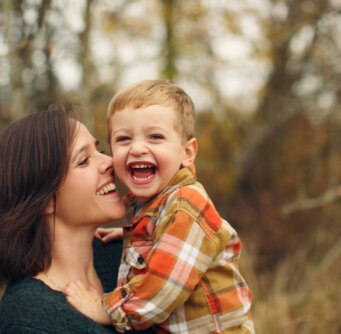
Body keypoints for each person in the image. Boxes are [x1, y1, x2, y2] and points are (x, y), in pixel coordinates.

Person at [66, 80, 254, 333]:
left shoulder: (186, 206)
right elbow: (166, 243)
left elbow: (162, 287)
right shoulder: (155, 207)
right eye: (124, 139)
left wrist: (106, 310)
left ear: (187, 152)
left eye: (155, 137)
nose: (137, 148)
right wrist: (128, 235)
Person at [0, 104, 152, 333]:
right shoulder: (26, 320)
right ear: (43, 199)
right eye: (84, 160)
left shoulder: (132, 257)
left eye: (100, 151)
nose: (110, 162)